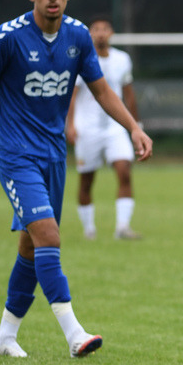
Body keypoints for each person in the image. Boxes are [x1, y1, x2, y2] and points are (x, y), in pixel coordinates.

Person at [0, 0, 153, 359]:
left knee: (32, 247)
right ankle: (74, 334)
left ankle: (4, 338)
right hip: (15, 154)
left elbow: (102, 91)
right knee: (49, 236)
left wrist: (133, 128)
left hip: (53, 155)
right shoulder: (8, 37)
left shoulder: (78, 36)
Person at [66, 14, 142, 240]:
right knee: (87, 180)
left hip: (115, 128)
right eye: (96, 29)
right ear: (90, 34)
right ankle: (89, 229)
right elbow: (72, 95)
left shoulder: (122, 59)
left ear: (111, 33)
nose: (100, 33)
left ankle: (122, 227)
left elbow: (128, 94)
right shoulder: (82, 58)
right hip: (86, 128)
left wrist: (136, 126)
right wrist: (70, 125)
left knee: (124, 171)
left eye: (104, 29)